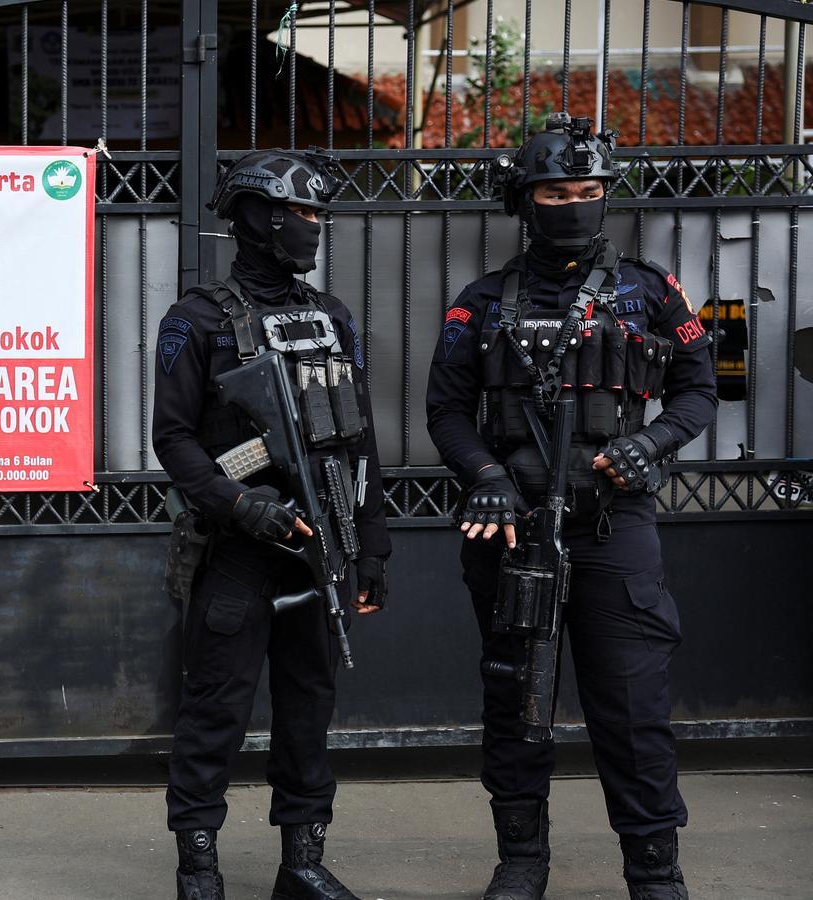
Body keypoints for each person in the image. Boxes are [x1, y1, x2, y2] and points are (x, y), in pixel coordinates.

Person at [425, 113, 718, 900]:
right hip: (512, 528)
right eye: (556, 192)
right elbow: (446, 411)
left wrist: (651, 443)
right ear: (525, 200)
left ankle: (655, 872)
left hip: (613, 525)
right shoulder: (481, 303)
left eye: (588, 190)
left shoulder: (650, 290)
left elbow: (698, 389)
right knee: (517, 699)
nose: (575, 205)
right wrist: (484, 473)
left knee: (633, 705)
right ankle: (522, 861)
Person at [153, 149, 392, 900]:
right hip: (239, 550)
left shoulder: (331, 316)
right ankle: (198, 867)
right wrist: (240, 502)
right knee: (214, 710)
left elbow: (359, 440)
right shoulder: (196, 319)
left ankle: (303, 862)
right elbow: (174, 440)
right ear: (257, 218)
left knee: (307, 711)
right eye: (301, 212)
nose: (312, 225)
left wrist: (371, 547)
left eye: (318, 213)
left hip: (320, 546)